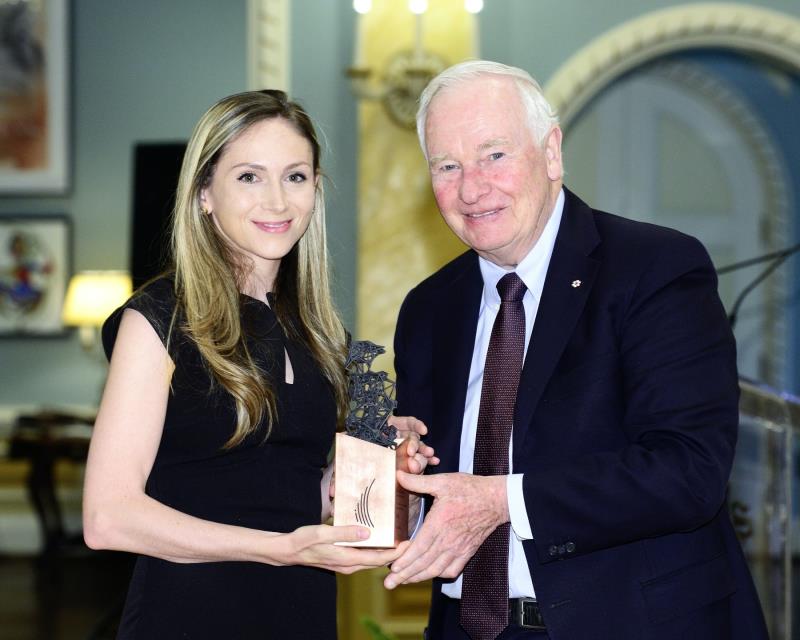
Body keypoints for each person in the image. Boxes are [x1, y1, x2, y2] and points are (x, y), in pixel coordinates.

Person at [383, 61, 769, 640]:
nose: (471, 187)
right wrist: (393, 485)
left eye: (494, 155)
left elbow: (689, 471)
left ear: (552, 152)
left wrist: (504, 500)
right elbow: (441, 492)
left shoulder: (655, 268)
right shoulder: (428, 308)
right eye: (447, 165)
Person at [82, 89, 435, 640]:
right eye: (249, 177)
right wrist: (281, 549)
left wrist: (368, 476)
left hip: (302, 615)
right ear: (204, 193)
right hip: (188, 618)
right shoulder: (159, 318)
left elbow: (278, 491)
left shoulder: (319, 333)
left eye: (295, 177)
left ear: (315, 190)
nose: (277, 201)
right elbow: (108, 518)